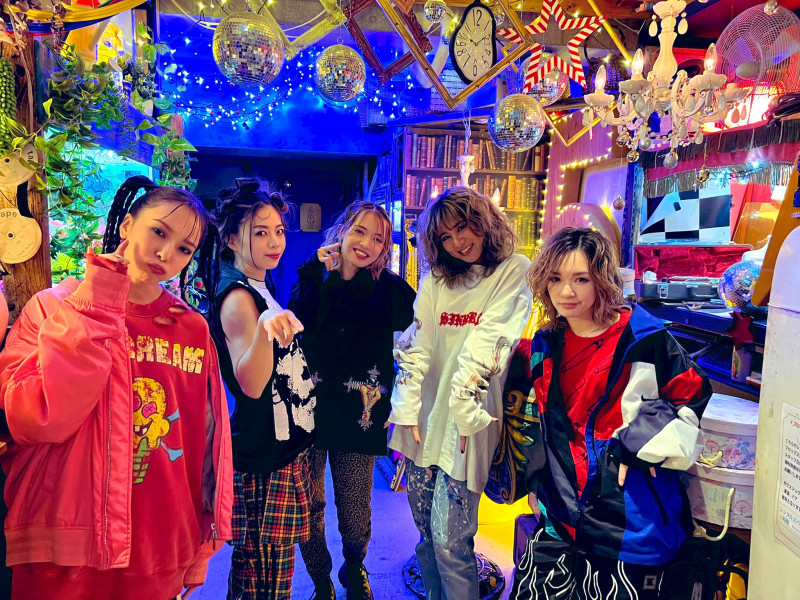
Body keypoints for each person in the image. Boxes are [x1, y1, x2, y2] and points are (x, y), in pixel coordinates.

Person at [0, 176, 233, 600]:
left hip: (159, 538)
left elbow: (205, 444)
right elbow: (35, 419)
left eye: (185, 249)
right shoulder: (53, 309)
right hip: (64, 541)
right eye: (158, 231)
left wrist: (200, 541)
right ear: (127, 225)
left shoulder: (191, 328)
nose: (166, 254)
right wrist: (98, 301)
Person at [509, 227, 712, 600]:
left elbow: (693, 393)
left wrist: (635, 441)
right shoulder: (546, 342)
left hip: (628, 521)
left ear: (601, 280)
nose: (566, 292)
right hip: (561, 515)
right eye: (555, 278)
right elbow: (549, 424)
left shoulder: (643, 338)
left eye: (580, 279)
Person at [387, 186, 533, 599]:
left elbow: (489, 344)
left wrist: (465, 411)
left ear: (484, 222)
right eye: (445, 237)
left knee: (451, 539)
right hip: (425, 419)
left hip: (470, 421)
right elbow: (418, 345)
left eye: (463, 227)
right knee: (425, 532)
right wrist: (406, 410)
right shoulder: (436, 278)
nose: (458, 242)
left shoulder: (513, 270)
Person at [289, 200, 416, 600]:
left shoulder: (389, 288)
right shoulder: (314, 277)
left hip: (360, 414)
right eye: (360, 231)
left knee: (356, 508)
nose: (367, 244)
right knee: (309, 505)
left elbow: (424, 323)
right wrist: (314, 272)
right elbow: (293, 323)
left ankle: (355, 566)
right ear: (343, 230)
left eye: (378, 239)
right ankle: (321, 580)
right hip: (307, 410)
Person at [205, 178, 316, 600]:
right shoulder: (237, 297)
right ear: (232, 239)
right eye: (260, 232)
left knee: (268, 573)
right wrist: (267, 329)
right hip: (263, 459)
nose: (274, 242)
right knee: (262, 577)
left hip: (280, 449)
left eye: (279, 231)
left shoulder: (258, 284)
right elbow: (251, 385)